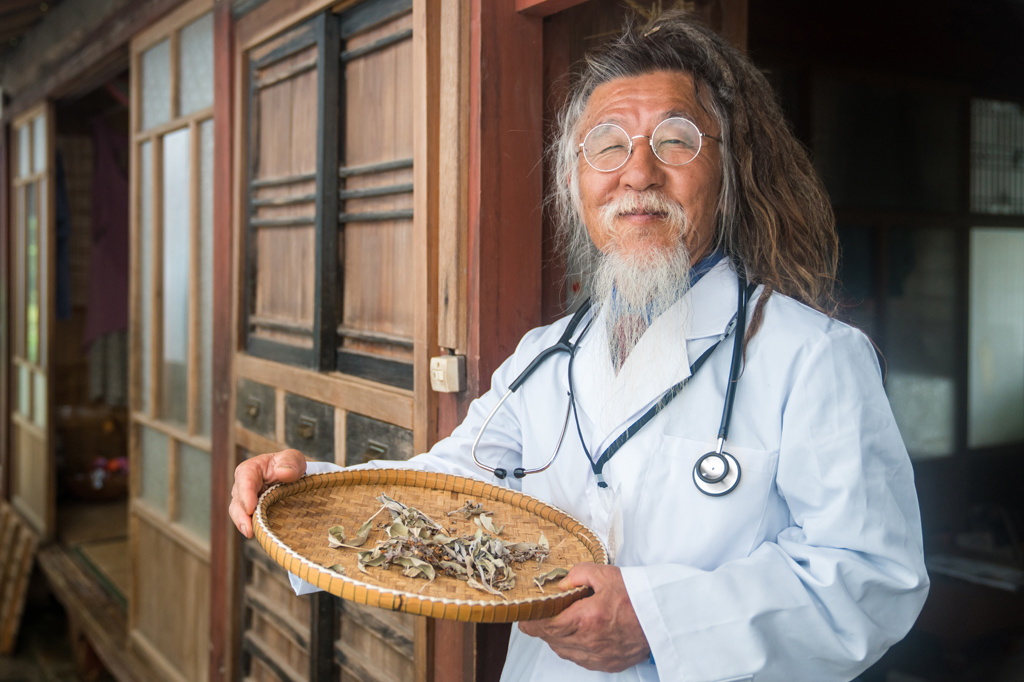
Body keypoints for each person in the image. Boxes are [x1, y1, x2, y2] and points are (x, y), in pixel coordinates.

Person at [230, 11, 929, 682]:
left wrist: (657, 619)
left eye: (676, 140)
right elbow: (447, 497)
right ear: (576, 183)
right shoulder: (543, 356)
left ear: (730, 172)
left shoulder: (812, 356)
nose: (638, 173)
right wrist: (311, 496)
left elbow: (873, 579)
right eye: (607, 145)